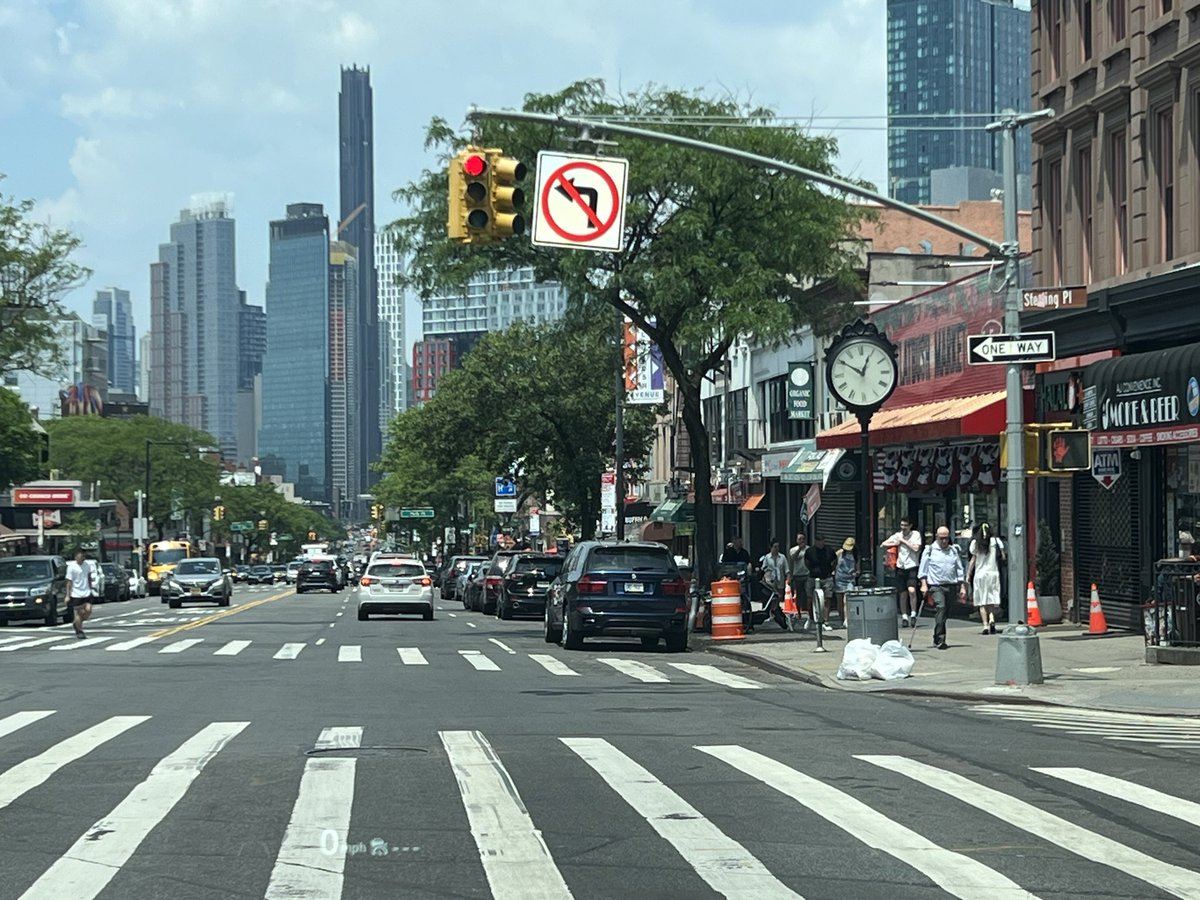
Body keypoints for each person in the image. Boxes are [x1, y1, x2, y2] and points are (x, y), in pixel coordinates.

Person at [918, 527, 966, 650]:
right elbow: (923, 569)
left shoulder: (953, 551)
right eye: (941, 538)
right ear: (936, 537)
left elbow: (959, 569)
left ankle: (937, 634)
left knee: (945, 613)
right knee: (941, 607)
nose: (944, 541)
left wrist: (962, 587)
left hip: (951, 585)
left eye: (946, 538)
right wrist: (924, 584)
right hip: (936, 586)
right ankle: (940, 639)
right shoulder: (929, 550)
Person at [880, 517, 923, 627]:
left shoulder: (916, 535)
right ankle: (904, 616)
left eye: (905, 525)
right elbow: (883, 544)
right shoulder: (897, 535)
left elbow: (916, 548)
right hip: (900, 566)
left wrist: (903, 541)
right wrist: (894, 543)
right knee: (902, 593)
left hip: (912, 566)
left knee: (912, 590)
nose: (903, 528)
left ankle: (913, 613)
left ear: (910, 526)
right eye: (902, 525)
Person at [967, 522, 1005, 634]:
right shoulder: (996, 541)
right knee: (991, 599)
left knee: (982, 602)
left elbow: (973, 560)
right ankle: (992, 619)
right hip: (993, 573)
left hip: (980, 574)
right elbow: (1003, 556)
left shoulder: (975, 543)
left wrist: (968, 574)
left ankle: (985, 625)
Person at [808, 536, 838, 632]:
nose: (820, 543)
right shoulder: (810, 551)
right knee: (810, 598)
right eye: (818, 541)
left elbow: (835, 561)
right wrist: (812, 570)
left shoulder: (829, 550)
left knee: (827, 599)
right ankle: (811, 618)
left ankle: (826, 620)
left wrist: (831, 570)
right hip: (813, 577)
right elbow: (806, 563)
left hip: (827, 576)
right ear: (815, 541)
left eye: (822, 541)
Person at [65, 548, 97, 639]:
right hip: (76, 594)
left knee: (88, 610)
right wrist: (67, 595)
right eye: (81, 555)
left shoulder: (87, 565)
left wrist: (91, 589)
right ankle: (79, 630)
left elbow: (89, 577)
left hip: (86, 592)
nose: (83, 557)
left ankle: (77, 623)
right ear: (76, 557)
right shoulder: (71, 567)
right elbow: (69, 582)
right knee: (79, 613)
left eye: (84, 556)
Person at [788, 532, 814, 631]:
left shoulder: (809, 549)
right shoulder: (793, 550)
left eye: (803, 539)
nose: (801, 541)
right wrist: (799, 548)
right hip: (797, 575)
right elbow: (793, 558)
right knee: (798, 594)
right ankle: (798, 612)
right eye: (799, 539)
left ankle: (808, 613)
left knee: (808, 595)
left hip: (807, 574)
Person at [833, 538, 859, 627]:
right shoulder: (839, 553)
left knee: (846, 600)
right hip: (839, 579)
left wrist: (856, 573)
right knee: (839, 601)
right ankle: (841, 618)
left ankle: (846, 619)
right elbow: (833, 563)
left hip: (850, 580)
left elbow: (858, 568)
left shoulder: (855, 555)